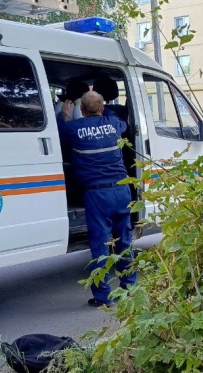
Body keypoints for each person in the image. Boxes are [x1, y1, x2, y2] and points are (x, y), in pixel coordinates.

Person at [57, 91, 136, 307]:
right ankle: (130, 288)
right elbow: (120, 121)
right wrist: (102, 108)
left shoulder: (72, 128)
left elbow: (59, 129)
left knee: (100, 246)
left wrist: (64, 112)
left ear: (81, 110)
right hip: (121, 190)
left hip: (97, 195)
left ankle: (103, 298)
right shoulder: (114, 124)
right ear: (102, 108)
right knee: (124, 241)